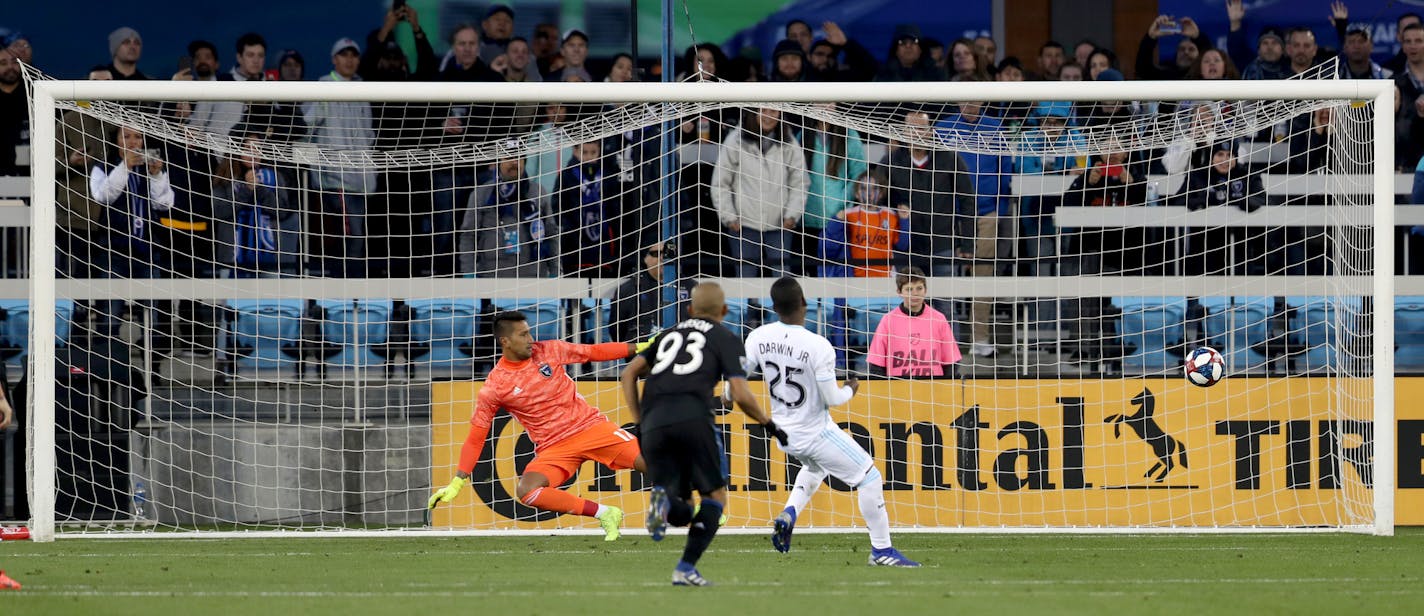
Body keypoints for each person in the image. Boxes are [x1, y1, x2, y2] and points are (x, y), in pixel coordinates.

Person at [746, 277, 920, 567]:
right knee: (869, 476)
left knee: (816, 467)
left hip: (783, 431)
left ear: (774, 307)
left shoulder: (758, 336)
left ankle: (789, 512)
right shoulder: (817, 345)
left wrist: (726, 395)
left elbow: (737, 377)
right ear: (804, 304)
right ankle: (881, 550)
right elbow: (833, 398)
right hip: (814, 431)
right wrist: (851, 388)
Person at [428, 311, 647, 540]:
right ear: (505, 341)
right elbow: (476, 437)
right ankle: (606, 513)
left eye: (529, 332)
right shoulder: (495, 386)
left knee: (652, 464)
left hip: (591, 428)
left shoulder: (548, 350)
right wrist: (457, 481)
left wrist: (642, 347)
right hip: (555, 448)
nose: (531, 339)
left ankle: (688, 507)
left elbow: (593, 352)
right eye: (523, 335)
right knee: (528, 491)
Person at [620, 282, 785, 586]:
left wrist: (638, 422)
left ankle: (664, 498)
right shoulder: (725, 337)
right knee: (715, 497)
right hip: (693, 418)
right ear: (724, 311)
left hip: (653, 423)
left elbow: (628, 372)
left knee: (681, 511)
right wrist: (768, 423)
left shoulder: (668, 334)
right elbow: (739, 392)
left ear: (689, 309)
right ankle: (685, 568)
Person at [303, 37, 375, 277]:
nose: (349, 59)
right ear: (334, 59)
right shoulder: (322, 86)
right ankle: (340, 291)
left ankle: (351, 290)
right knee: (346, 237)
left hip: (362, 180)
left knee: (358, 239)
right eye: (344, 55)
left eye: (353, 54)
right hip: (336, 180)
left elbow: (368, 133)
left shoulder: (364, 88)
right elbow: (307, 125)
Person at [712, 107, 807, 279]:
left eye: (774, 112)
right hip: (744, 225)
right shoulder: (735, 140)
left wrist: (792, 215)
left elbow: (800, 181)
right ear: (754, 112)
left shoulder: (789, 142)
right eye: (764, 111)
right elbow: (720, 183)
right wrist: (729, 217)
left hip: (780, 225)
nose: (768, 117)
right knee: (745, 282)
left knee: (783, 280)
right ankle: (749, 308)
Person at [867, 267, 961, 378]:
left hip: (934, 389)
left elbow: (951, 362)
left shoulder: (938, 318)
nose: (915, 293)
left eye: (919, 288)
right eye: (909, 289)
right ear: (899, 292)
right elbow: (876, 365)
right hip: (898, 389)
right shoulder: (888, 320)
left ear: (925, 290)